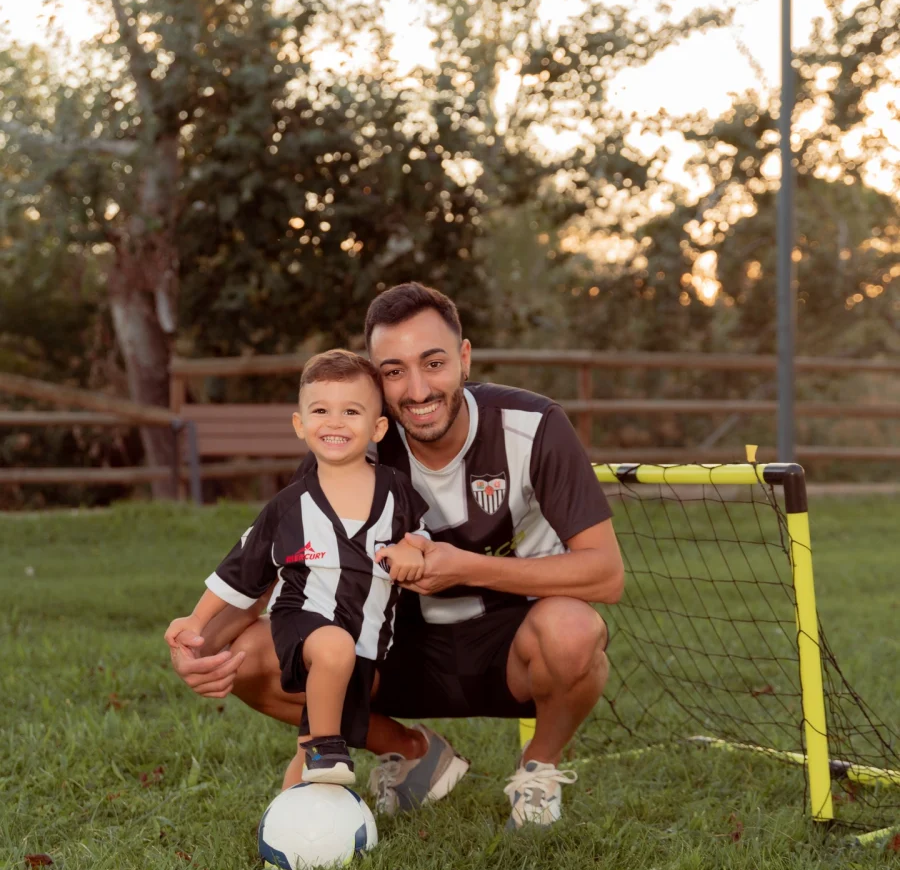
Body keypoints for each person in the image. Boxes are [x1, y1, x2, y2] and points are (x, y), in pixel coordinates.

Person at [166, 284, 624, 828]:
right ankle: (411, 752)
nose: (418, 388)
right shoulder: (350, 446)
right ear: (376, 381)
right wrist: (200, 645)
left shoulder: (534, 426)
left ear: (464, 357)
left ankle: (538, 771)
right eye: (394, 371)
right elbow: (264, 576)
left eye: (434, 363)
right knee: (250, 657)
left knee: (575, 631)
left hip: (511, 648)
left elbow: (605, 574)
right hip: (387, 647)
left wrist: (467, 567)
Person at [164, 349, 428, 789]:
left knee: (316, 725)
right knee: (331, 650)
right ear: (300, 424)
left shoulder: (396, 492)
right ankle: (325, 749)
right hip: (302, 621)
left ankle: (291, 807)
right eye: (321, 411)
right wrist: (195, 620)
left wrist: (414, 550)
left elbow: (421, 536)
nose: (335, 422)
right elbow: (239, 570)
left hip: (367, 643)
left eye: (351, 411)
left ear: (378, 428)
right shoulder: (289, 507)